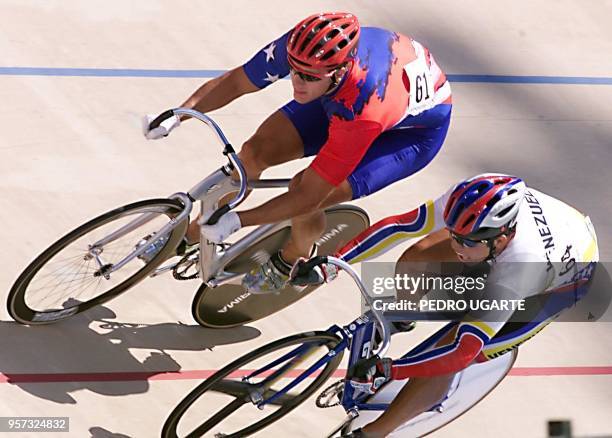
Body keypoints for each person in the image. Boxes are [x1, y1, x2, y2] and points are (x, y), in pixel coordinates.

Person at [142, 11, 452, 292]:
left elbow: (308, 196)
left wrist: (238, 220)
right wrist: (178, 114)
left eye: (309, 77)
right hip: (349, 92)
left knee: (304, 189)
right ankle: (191, 236)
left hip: (409, 137)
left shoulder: (363, 110)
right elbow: (238, 81)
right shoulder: (305, 47)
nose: (297, 81)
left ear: (340, 70)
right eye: (294, 71)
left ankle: (292, 259)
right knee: (254, 152)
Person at [300, 173, 598, 437]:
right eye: (455, 235)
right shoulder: (473, 199)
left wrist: (393, 369)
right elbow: (402, 226)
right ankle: (401, 319)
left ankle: (376, 433)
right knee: (418, 257)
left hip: (557, 286)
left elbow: (459, 353)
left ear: (502, 237)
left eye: (467, 243)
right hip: (550, 231)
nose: (456, 247)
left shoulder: (521, 270)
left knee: (448, 348)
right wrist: (335, 262)